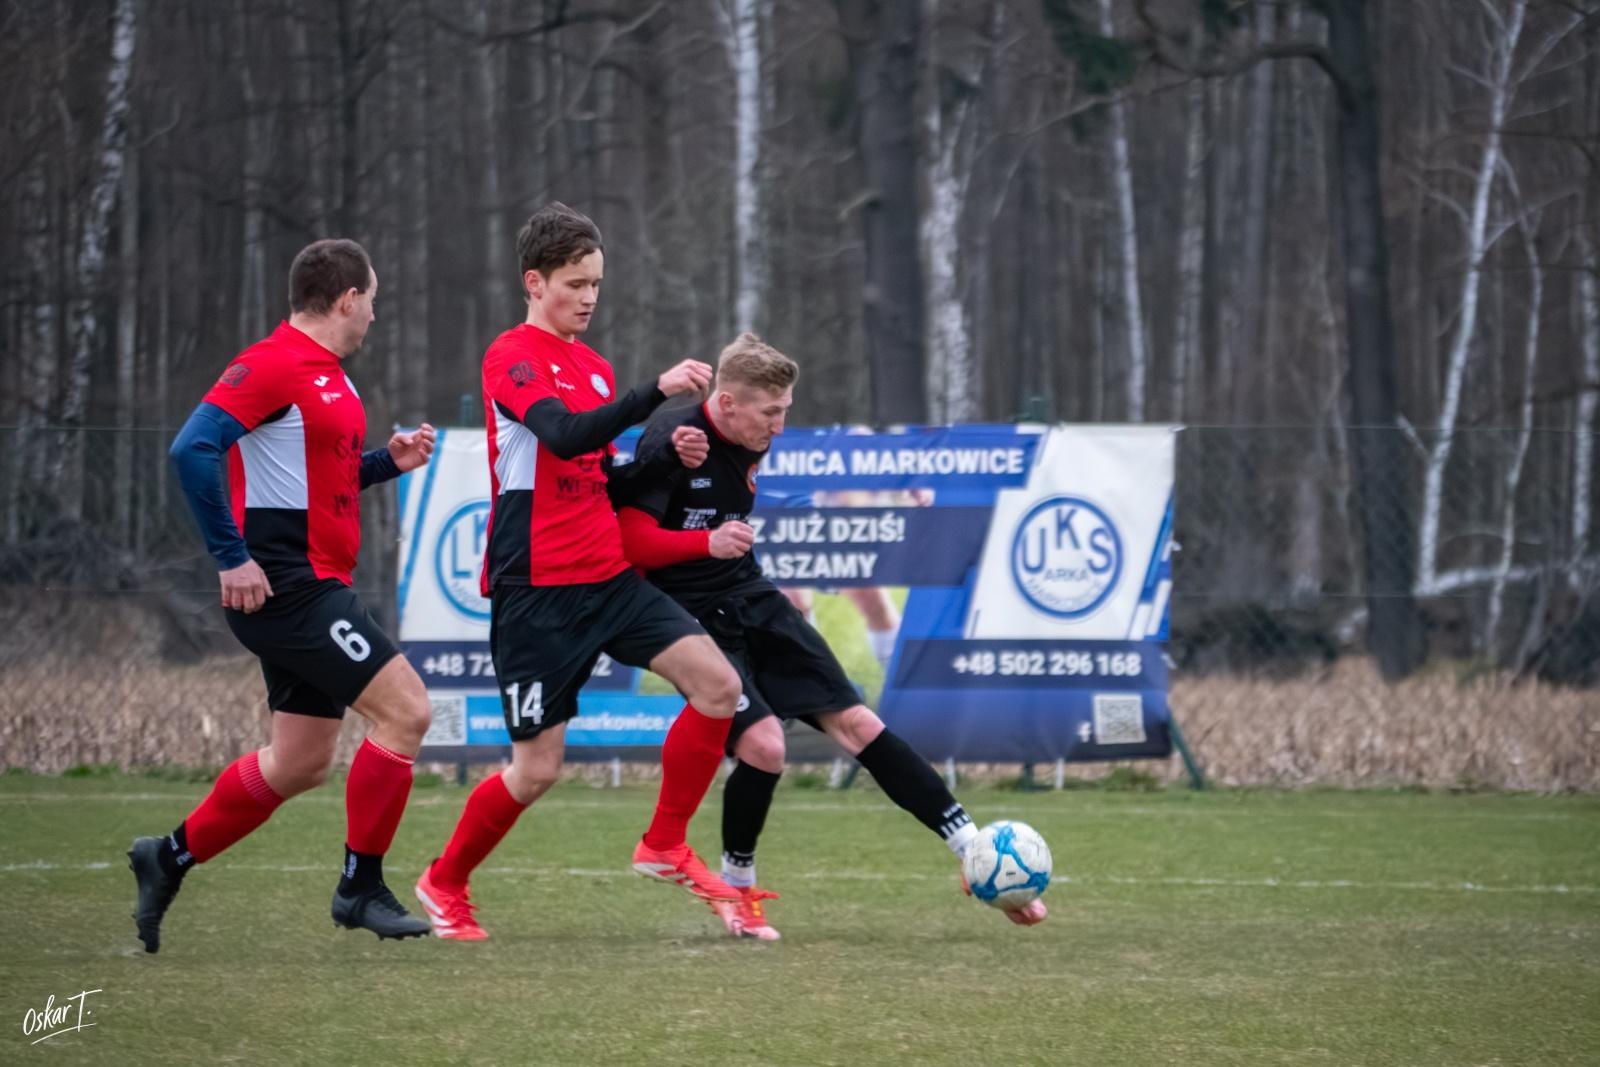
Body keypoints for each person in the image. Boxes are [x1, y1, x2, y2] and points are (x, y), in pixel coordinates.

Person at [609, 333, 1049, 940]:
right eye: (771, 412)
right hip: (687, 616)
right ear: (728, 403)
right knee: (765, 745)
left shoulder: (749, 443)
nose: (782, 426)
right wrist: (702, 544)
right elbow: (630, 544)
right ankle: (738, 886)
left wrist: (981, 858)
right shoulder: (674, 441)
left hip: (750, 595)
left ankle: (973, 853)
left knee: (860, 725)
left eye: (787, 410)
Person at [413, 203, 747, 941]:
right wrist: (654, 393)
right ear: (535, 283)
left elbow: (599, 478)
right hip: (536, 591)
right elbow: (562, 436)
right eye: (575, 283)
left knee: (719, 686)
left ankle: (662, 844)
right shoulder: (511, 356)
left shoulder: (594, 367)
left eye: (596, 282)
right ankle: (443, 881)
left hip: (608, 577)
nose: (589, 297)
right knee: (535, 770)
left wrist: (663, 456)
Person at [129, 239, 438, 952]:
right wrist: (231, 558)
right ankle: (360, 886)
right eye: (373, 300)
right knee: (409, 710)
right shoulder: (271, 362)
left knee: (298, 761)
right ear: (346, 299)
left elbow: (309, 481)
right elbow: (192, 448)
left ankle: (166, 857)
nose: (374, 316)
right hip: (289, 589)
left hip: (312, 584)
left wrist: (384, 464)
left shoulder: (332, 377)